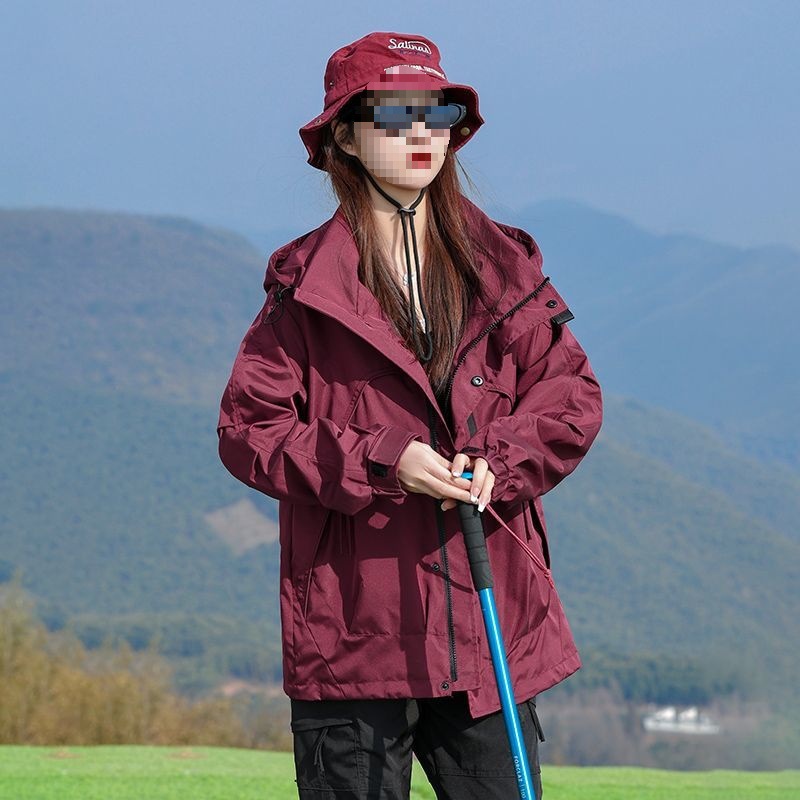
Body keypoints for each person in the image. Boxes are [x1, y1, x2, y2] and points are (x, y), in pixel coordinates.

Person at [217, 31, 603, 800]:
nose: (420, 132)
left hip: (489, 622)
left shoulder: (507, 272)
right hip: (351, 632)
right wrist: (384, 458)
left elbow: (570, 398)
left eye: (438, 112)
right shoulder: (304, 290)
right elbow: (249, 430)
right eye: (393, 114)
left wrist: (499, 460)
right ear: (344, 138)